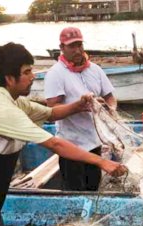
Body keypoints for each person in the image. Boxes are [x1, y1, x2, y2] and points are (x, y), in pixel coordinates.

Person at [0, 42, 127, 226]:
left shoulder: (16, 102)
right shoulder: (1, 109)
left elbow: (51, 113)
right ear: (9, 78)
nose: (33, 76)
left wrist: (79, 105)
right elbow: (55, 144)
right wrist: (103, 162)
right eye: (27, 72)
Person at [44, 27, 117, 191]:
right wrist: (78, 106)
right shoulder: (55, 73)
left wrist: (110, 109)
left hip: (94, 142)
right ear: (62, 47)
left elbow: (110, 97)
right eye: (72, 46)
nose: (77, 50)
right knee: (74, 192)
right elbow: (51, 111)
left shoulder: (95, 69)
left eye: (79, 45)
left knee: (93, 188)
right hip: (71, 145)